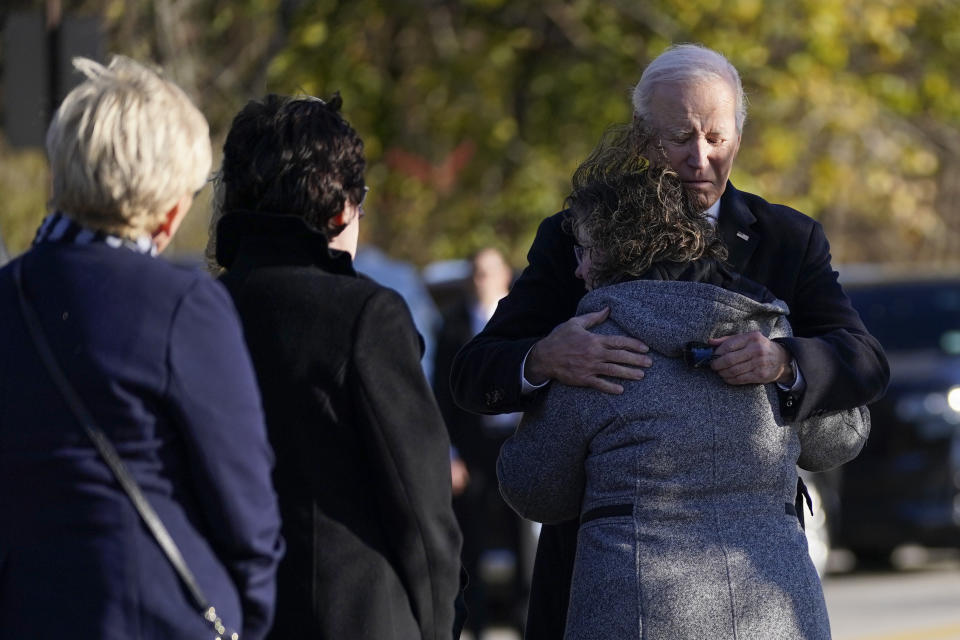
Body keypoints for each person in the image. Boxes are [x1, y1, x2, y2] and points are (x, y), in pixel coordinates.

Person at [450, 43, 890, 639]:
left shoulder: (786, 238)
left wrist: (783, 360)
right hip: (599, 567)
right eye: (679, 137)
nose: (699, 158)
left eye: (716, 137)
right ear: (640, 139)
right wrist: (543, 356)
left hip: (757, 579)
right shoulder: (579, 236)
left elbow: (864, 361)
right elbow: (475, 372)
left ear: (740, 135)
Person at [0, 56, 283, 640]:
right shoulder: (182, 305)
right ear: (170, 205)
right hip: (156, 614)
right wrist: (245, 616)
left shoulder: (8, 294)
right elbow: (246, 508)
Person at [209, 93, 463, 640]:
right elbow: (421, 511)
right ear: (344, 206)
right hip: (353, 617)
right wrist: (442, 626)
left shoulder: (197, 311)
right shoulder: (366, 316)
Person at [433, 247, 527, 636]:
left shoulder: (523, 319)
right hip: (473, 447)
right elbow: (441, 392)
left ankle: (523, 618)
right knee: (470, 537)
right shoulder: (453, 326)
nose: (481, 280)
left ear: (506, 276)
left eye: (489, 272)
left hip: (517, 443)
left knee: (521, 532)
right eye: (475, 272)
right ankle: (476, 621)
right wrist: (450, 455)